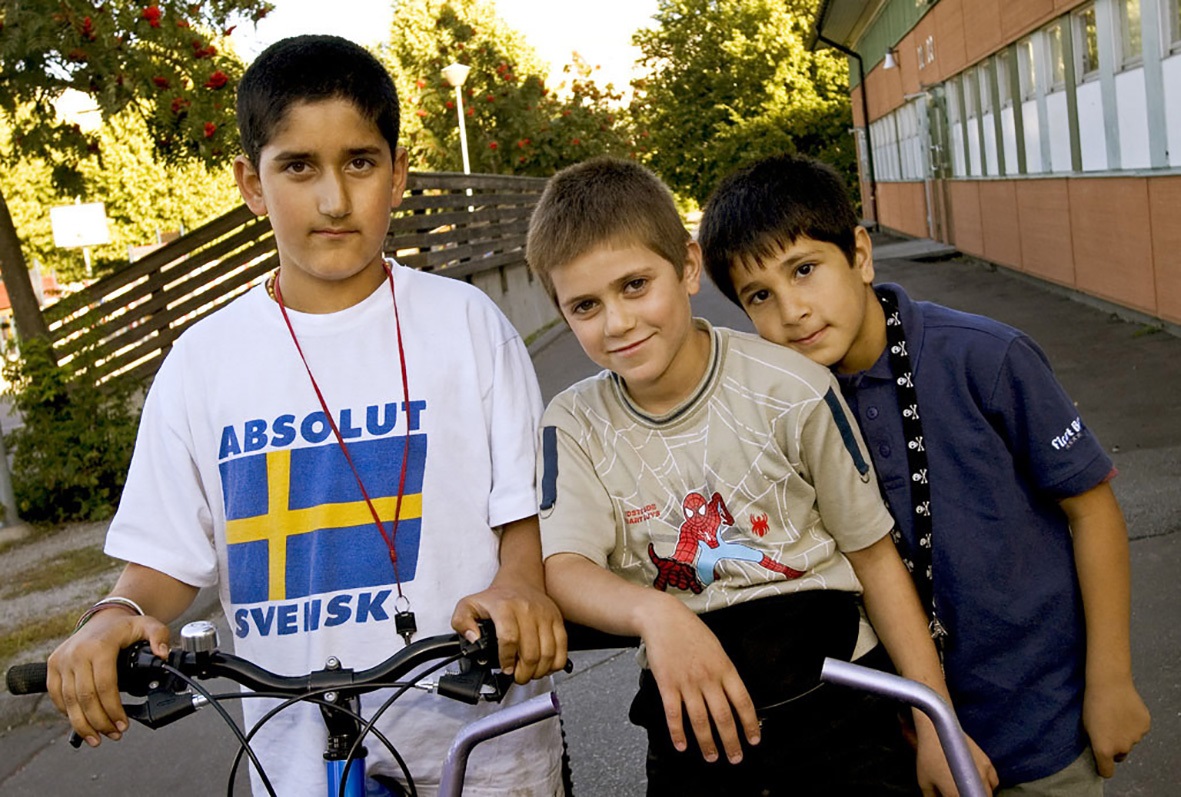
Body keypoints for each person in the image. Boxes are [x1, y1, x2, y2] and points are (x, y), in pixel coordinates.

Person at [45, 35, 568, 797]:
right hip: (291, 761)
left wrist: (521, 588)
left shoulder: (467, 323)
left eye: (359, 161)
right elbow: (158, 563)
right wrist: (110, 617)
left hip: (482, 747)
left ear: (397, 176)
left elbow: (522, 523)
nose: (332, 198)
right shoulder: (202, 362)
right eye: (297, 166)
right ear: (251, 185)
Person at [526, 156, 996, 796]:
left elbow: (875, 559)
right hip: (693, 730)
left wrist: (936, 723)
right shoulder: (573, 422)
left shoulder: (794, 387)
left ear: (688, 267)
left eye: (636, 285)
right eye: (584, 305)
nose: (617, 322)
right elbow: (567, 568)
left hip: (838, 715)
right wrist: (659, 617)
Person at [697, 152, 1151, 795]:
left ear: (858, 254)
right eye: (760, 295)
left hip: (1042, 715)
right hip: (895, 737)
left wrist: (1111, 680)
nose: (791, 310)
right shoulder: (786, 409)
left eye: (804, 270)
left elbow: (1091, 507)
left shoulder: (987, 358)